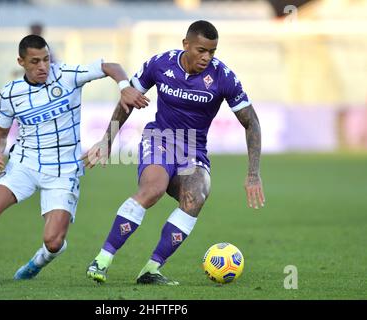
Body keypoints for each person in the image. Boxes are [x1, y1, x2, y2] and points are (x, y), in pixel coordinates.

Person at [0, 34, 149, 282]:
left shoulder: (67, 75)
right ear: (21, 62)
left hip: (63, 170)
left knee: (54, 242)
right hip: (25, 163)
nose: (43, 66)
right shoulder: (11, 93)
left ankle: (36, 263)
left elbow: (110, 66)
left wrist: (124, 86)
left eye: (46, 59)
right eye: (35, 61)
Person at [82, 20, 265, 285]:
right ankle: (102, 259)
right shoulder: (160, 63)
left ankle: (151, 269)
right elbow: (128, 100)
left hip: (194, 149)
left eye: (212, 52)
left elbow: (252, 122)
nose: (207, 57)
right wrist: (107, 140)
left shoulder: (223, 77)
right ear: (186, 44)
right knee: (153, 188)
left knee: (196, 195)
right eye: (201, 50)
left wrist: (253, 174)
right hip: (160, 138)